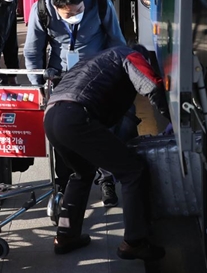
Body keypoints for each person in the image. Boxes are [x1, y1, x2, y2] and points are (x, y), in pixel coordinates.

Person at [44, 44, 168, 260]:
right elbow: (151, 85)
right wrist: (174, 117)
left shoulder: (97, 58)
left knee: (82, 172)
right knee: (132, 170)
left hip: (52, 116)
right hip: (74, 116)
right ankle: (134, 241)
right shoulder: (131, 55)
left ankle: (66, 235)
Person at [24, 0, 127, 205]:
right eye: (67, 15)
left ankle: (107, 180)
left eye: (78, 11)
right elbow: (32, 51)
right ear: (56, 7)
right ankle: (65, 182)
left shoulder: (98, 1)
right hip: (62, 77)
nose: (74, 17)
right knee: (62, 133)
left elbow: (116, 40)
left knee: (103, 130)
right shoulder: (41, 9)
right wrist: (37, 84)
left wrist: (118, 74)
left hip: (97, 75)